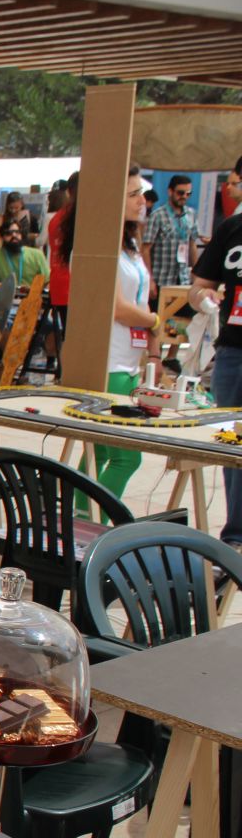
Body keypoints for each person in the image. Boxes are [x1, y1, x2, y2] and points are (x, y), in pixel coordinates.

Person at [72, 165, 156, 504]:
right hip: (108, 362)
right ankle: (92, 526)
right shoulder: (98, 246)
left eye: (142, 194)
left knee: (99, 453)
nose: (142, 201)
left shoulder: (129, 247)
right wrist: (156, 319)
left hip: (128, 363)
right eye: (133, 194)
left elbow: (136, 302)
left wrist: (153, 350)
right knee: (124, 456)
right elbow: (119, 308)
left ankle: (79, 524)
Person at [190, 153, 242, 551]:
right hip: (231, 353)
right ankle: (236, 534)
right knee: (232, 444)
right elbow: (198, 286)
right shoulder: (231, 229)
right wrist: (204, 297)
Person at [142, 174, 198, 360]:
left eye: (188, 193)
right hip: (161, 277)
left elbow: (191, 243)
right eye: (181, 192)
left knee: (183, 319)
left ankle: (171, 358)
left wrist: (197, 273)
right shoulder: (158, 216)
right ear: (171, 192)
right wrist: (149, 279)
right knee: (158, 322)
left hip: (181, 277)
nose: (184, 196)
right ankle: (155, 357)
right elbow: (146, 248)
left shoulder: (190, 215)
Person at [49, 172, 80, 363]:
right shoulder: (76, 217)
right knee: (76, 337)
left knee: (70, 335)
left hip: (60, 285)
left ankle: (66, 370)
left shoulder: (56, 219)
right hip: (72, 286)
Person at [0, 219, 48, 289]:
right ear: (2, 237)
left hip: (31, 297)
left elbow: (47, 281)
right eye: (8, 233)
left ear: (21, 235)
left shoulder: (37, 254)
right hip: (6, 297)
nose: (14, 235)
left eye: (17, 232)